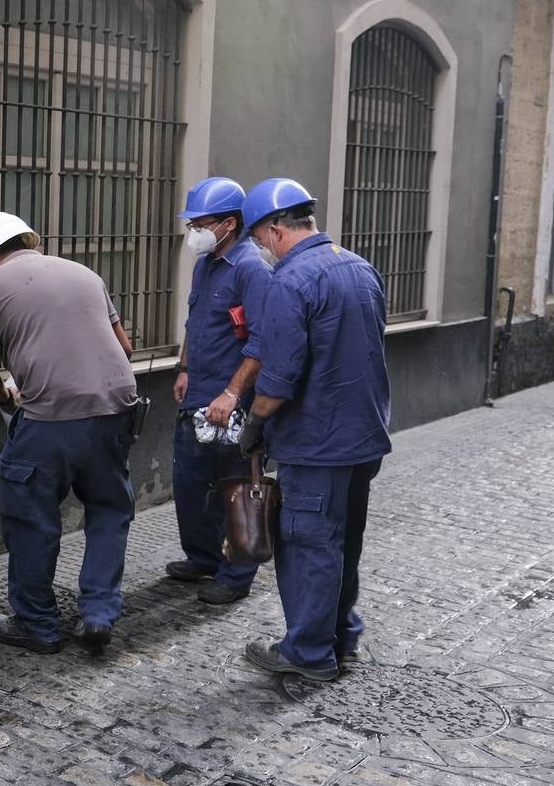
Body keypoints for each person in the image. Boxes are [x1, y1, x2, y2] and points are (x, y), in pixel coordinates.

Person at [0, 212, 140, 655]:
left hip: (51, 416)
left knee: (30, 516)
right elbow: (125, 348)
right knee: (108, 508)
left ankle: (36, 624)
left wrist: (6, 398)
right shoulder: (85, 273)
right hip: (117, 407)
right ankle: (98, 613)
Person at [237, 178, 392, 682]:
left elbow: (279, 378)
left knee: (310, 544)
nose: (261, 246)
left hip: (317, 443)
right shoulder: (360, 267)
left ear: (277, 228)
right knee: (344, 542)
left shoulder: (291, 280)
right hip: (363, 437)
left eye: (260, 237)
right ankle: (341, 638)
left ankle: (307, 653)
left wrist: (255, 424)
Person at [166, 177, 272, 604]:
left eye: (200, 223)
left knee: (239, 490)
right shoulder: (205, 263)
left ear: (229, 224)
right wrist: (185, 367)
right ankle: (204, 557)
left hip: (236, 402)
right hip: (197, 394)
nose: (193, 232)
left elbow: (263, 341)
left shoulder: (252, 268)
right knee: (189, 482)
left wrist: (231, 394)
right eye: (191, 224)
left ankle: (237, 574)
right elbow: (195, 322)